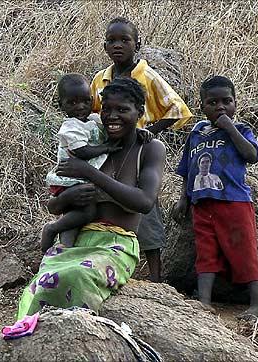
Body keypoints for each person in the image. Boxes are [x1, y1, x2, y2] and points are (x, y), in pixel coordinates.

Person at [17, 77, 165, 319]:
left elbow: (144, 202)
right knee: (41, 283)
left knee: (77, 276)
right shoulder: (93, 141)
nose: (112, 116)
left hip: (116, 244)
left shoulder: (148, 148)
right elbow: (54, 205)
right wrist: (70, 196)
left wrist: (91, 174)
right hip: (78, 238)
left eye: (122, 110)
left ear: (140, 111)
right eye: (106, 109)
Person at [91, 17, 193, 282]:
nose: (118, 46)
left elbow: (177, 110)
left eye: (125, 40)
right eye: (112, 41)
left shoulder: (147, 76)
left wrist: (147, 134)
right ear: (104, 46)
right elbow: (93, 115)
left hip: (137, 152)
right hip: (109, 150)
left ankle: (156, 277)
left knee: (146, 210)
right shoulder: (100, 80)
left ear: (138, 44)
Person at [172, 75, 258, 319]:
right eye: (213, 102)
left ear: (235, 103)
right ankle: (204, 301)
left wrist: (229, 127)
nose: (220, 107)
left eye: (227, 101)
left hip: (234, 201)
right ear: (202, 106)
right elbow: (187, 169)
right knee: (206, 251)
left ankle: (256, 303)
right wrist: (184, 198)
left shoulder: (241, 129)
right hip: (202, 204)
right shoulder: (197, 133)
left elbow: (251, 155)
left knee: (244, 249)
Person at [41, 73, 121, 252]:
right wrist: (106, 148)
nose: (80, 107)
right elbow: (81, 152)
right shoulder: (70, 127)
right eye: (72, 103)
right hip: (70, 180)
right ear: (61, 105)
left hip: (79, 178)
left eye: (85, 101)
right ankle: (52, 229)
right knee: (86, 212)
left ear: (92, 99)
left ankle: (63, 250)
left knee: (73, 217)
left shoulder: (92, 120)